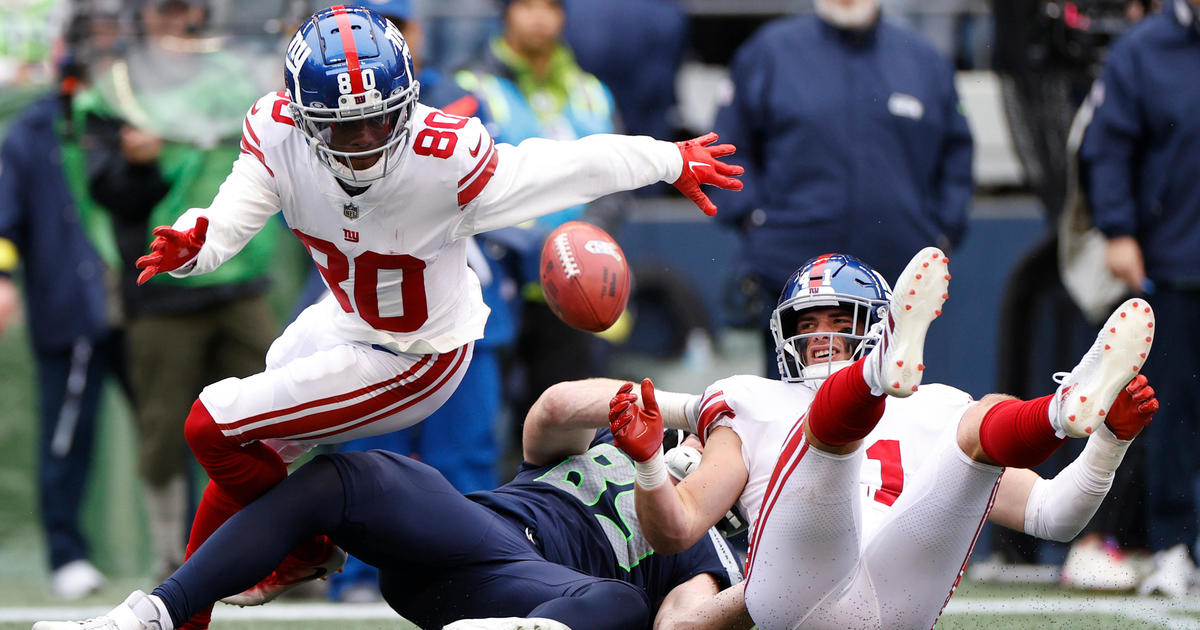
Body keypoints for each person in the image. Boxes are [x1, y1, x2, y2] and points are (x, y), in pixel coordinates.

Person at [129, 5, 741, 626]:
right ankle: (257, 575)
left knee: (214, 424)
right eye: (346, 129)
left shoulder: (445, 159)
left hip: (420, 352)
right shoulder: (277, 129)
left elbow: (568, 164)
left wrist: (669, 160)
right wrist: (196, 245)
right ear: (305, 118)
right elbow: (234, 207)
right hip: (345, 322)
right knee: (244, 436)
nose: (367, 143)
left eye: (379, 121)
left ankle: (300, 548)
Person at [605, 248, 1158, 628]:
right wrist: (651, 463)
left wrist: (1109, 440)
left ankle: (1060, 413)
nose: (821, 336)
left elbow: (1053, 515)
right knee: (827, 437)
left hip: (897, 603)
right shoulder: (756, 402)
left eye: (836, 318)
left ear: (870, 322)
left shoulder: (936, 407)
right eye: (807, 323)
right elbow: (675, 531)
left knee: (983, 421)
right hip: (794, 597)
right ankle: (870, 379)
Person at [32, 379, 743, 630]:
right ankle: (151, 614)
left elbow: (680, 625)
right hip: (468, 537)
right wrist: (688, 408)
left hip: (531, 590)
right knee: (342, 477)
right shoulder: (621, 443)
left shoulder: (705, 553)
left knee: (617, 607)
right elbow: (556, 407)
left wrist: (753, 597)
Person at [76, 0, 283, 581]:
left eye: (186, 6)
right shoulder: (112, 90)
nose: (177, 19)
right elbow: (105, 192)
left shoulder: (236, 76)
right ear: (141, 16)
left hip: (242, 282)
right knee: (165, 431)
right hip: (162, 289)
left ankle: (281, 553)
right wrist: (140, 165)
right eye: (165, 8)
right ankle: (172, 557)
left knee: (280, 418)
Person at [708, 0, 973, 377]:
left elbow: (957, 154)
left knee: (899, 417)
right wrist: (755, 220)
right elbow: (726, 147)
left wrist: (942, 231)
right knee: (789, 412)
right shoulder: (769, 53)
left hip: (898, 283)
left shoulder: (924, 61)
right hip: (793, 277)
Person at [451, 0, 630, 436]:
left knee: (562, 425)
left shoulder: (592, 91)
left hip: (571, 287)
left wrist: (577, 239)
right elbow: (458, 184)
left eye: (549, 5)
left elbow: (619, 176)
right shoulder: (470, 86)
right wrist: (524, 243)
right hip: (490, 284)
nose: (538, 16)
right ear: (505, 13)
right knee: (478, 429)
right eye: (525, 5)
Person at [1078, 0, 1200, 598]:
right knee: (1174, 414)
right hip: (1174, 263)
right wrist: (1120, 229)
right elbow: (1107, 147)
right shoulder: (1141, 51)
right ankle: (1174, 545)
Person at [0, 55, 127, 600]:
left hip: (143, 305)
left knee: (180, 431)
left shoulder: (132, 116)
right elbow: (5, 218)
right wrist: (3, 276)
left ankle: (197, 549)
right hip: (68, 308)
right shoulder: (29, 132)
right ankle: (65, 553)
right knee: (65, 436)